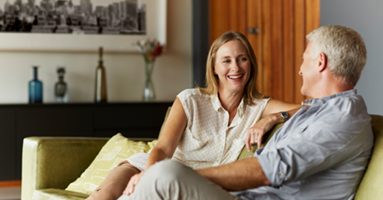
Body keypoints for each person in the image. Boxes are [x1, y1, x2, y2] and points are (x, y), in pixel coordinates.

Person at [117, 25, 374, 200]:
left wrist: (189, 176)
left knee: (166, 175)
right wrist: (274, 117)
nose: (299, 69)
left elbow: (267, 170)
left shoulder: (341, 119)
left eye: (304, 59)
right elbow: (297, 110)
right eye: (226, 60)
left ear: (320, 62)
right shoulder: (321, 110)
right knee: (155, 176)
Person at [87, 31, 299, 200]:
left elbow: (311, 107)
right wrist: (149, 176)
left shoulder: (260, 107)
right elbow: (162, 148)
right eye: (226, 61)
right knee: (102, 197)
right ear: (214, 68)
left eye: (242, 59)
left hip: (193, 185)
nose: (235, 67)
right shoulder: (190, 100)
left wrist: (272, 118)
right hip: (153, 167)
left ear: (250, 65)